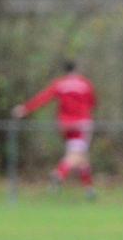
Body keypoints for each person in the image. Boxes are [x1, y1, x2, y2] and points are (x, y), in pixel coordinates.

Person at [12, 60, 97, 199]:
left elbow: (44, 98)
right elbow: (93, 102)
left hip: (65, 124)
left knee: (81, 157)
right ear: (77, 69)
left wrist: (25, 109)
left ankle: (89, 190)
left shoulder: (60, 84)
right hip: (82, 124)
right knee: (76, 155)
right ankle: (59, 173)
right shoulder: (85, 84)